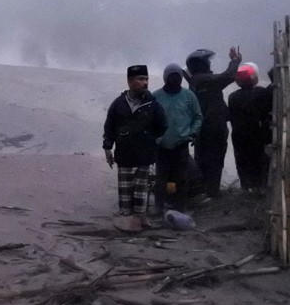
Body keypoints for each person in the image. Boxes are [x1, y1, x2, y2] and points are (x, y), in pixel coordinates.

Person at [103, 65, 168, 232]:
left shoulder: (152, 103)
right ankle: (132, 218)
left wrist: (150, 139)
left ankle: (138, 221)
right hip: (124, 155)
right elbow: (109, 127)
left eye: (146, 79)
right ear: (130, 81)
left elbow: (163, 125)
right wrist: (107, 148)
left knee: (141, 188)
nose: (145, 82)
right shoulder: (119, 104)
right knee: (126, 189)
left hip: (145, 155)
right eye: (140, 79)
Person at [184, 47, 242, 197]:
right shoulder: (202, 80)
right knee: (215, 160)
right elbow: (228, 76)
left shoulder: (195, 81)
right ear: (201, 64)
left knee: (203, 160)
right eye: (207, 62)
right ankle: (212, 193)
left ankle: (204, 192)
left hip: (203, 128)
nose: (209, 65)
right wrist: (235, 61)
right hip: (213, 127)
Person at [152, 63, 202, 212]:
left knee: (181, 178)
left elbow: (197, 117)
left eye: (177, 77)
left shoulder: (189, 96)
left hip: (181, 144)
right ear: (165, 78)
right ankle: (159, 208)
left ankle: (181, 207)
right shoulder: (155, 96)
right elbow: (148, 119)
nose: (174, 80)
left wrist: (193, 132)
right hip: (162, 145)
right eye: (171, 77)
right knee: (161, 178)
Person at [228, 62, 273, 195]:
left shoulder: (233, 97)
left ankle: (247, 188)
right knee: (260, 161)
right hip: (258, 134)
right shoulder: (261, 92)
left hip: (239, 136)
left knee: (243, 162)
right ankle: (261, 187)